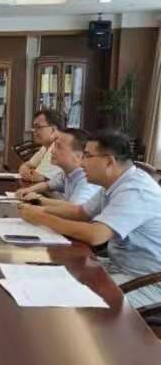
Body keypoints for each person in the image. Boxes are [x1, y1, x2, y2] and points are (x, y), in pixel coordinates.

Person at [18, 131, 161, 307]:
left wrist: (42, 217)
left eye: (87, 156)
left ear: (109, 162)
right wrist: (40, 208)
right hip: (118, 266)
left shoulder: (135, 190)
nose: (82, 163)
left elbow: (96, 235)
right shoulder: (115, 183)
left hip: (147, 281)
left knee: (64, 296)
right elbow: (81, 212)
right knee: (48, 274)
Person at [15, 128, 100, 206]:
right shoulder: (68, 173)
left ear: (78, 156)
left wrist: (39, 199)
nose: (52, 151)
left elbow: (76, 208)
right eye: (54, 146)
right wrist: (29, 190)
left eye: (59, 147)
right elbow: (48, 185)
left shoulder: (87, 180)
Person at [18, 109, 63, 183]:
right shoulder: (45, 147)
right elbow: (25, 165)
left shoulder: (58, 147)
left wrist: (31, 172)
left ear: (53, 129)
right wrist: (29, 170)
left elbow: (37, 177)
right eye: (34, 127)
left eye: (38, 127)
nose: (34, 131)